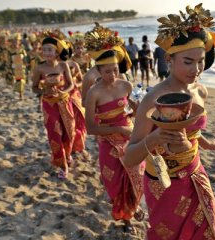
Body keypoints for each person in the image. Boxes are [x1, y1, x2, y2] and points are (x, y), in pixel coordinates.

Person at [123, 4, 215, 239]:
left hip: (194, 173)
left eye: (201, 61)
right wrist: (155, 137)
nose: (196, 69)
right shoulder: (153, 98)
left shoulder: (201, 91)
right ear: (169, 58)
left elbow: (190, 130)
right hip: (163, 183)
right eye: (188, 61)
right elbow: (130, 157)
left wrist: (203, 141)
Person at [84, 25, 145, 234]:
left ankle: (134, 206)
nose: (112, 74)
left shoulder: (125, 85)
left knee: (137, 176)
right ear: (98, 71)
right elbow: (90, 128)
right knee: (117, 183)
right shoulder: (94, 93)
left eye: (115, 69)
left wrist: (137, 109)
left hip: (129, 137)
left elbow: (133, 113)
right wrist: (118, 128)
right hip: (108, 142)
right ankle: (126, 219)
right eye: (107, 71)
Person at [32, 30, 76, 179]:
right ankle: (62, 165)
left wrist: (64, 92)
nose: (46, 52)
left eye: (50, 49)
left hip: (64, 102)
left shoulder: (63, 66)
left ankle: (67, 154)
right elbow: (34, 87)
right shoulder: (39, 68)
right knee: (55, 134)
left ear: (57, 51)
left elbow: (71, 84)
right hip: (49, 105)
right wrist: (43, 90)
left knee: (69, 133)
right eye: (44, 50)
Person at [66, 41, 91, 161]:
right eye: (77, 48)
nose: (79, 50)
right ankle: (72, 146)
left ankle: (80, 145)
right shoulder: (69, 62)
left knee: (81, 119)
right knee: (71, 121)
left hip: (83, 90)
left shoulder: (86, 58)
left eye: (81, 47)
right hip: (69, 94)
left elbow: (86, 76)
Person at [7, 33, 28, 100]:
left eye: (17, 41)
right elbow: (8, 59)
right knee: (17, 80)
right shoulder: (9, 50)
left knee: (21, 81)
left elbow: (25, 57)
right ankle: (19, 92)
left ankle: (21, 94)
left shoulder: (22, 49)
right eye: (14, 41)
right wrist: (9, 67)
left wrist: (26, 63)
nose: (16, 42)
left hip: (22, 67)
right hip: (14, 67)